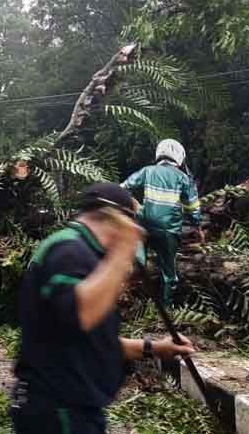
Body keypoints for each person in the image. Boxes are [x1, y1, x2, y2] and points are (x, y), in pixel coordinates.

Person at [12, 183, 196, 434]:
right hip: (58, 411)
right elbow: (81, 315)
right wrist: (123, 250)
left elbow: (89, 340)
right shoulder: (69, 251)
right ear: (118, 221)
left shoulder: (84, 256)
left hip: (75, 410)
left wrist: (155, 348)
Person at [121, 139, 202, 308]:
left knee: (139, 257)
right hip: (168, 231)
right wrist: (197, 226)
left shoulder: (147, 171)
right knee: (169, 274)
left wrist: (135, 204)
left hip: (145, 225)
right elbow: (193, 207)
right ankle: (166, 308)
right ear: (179, 157)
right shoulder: (183, 178)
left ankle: (139, 275)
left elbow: (122, 188)